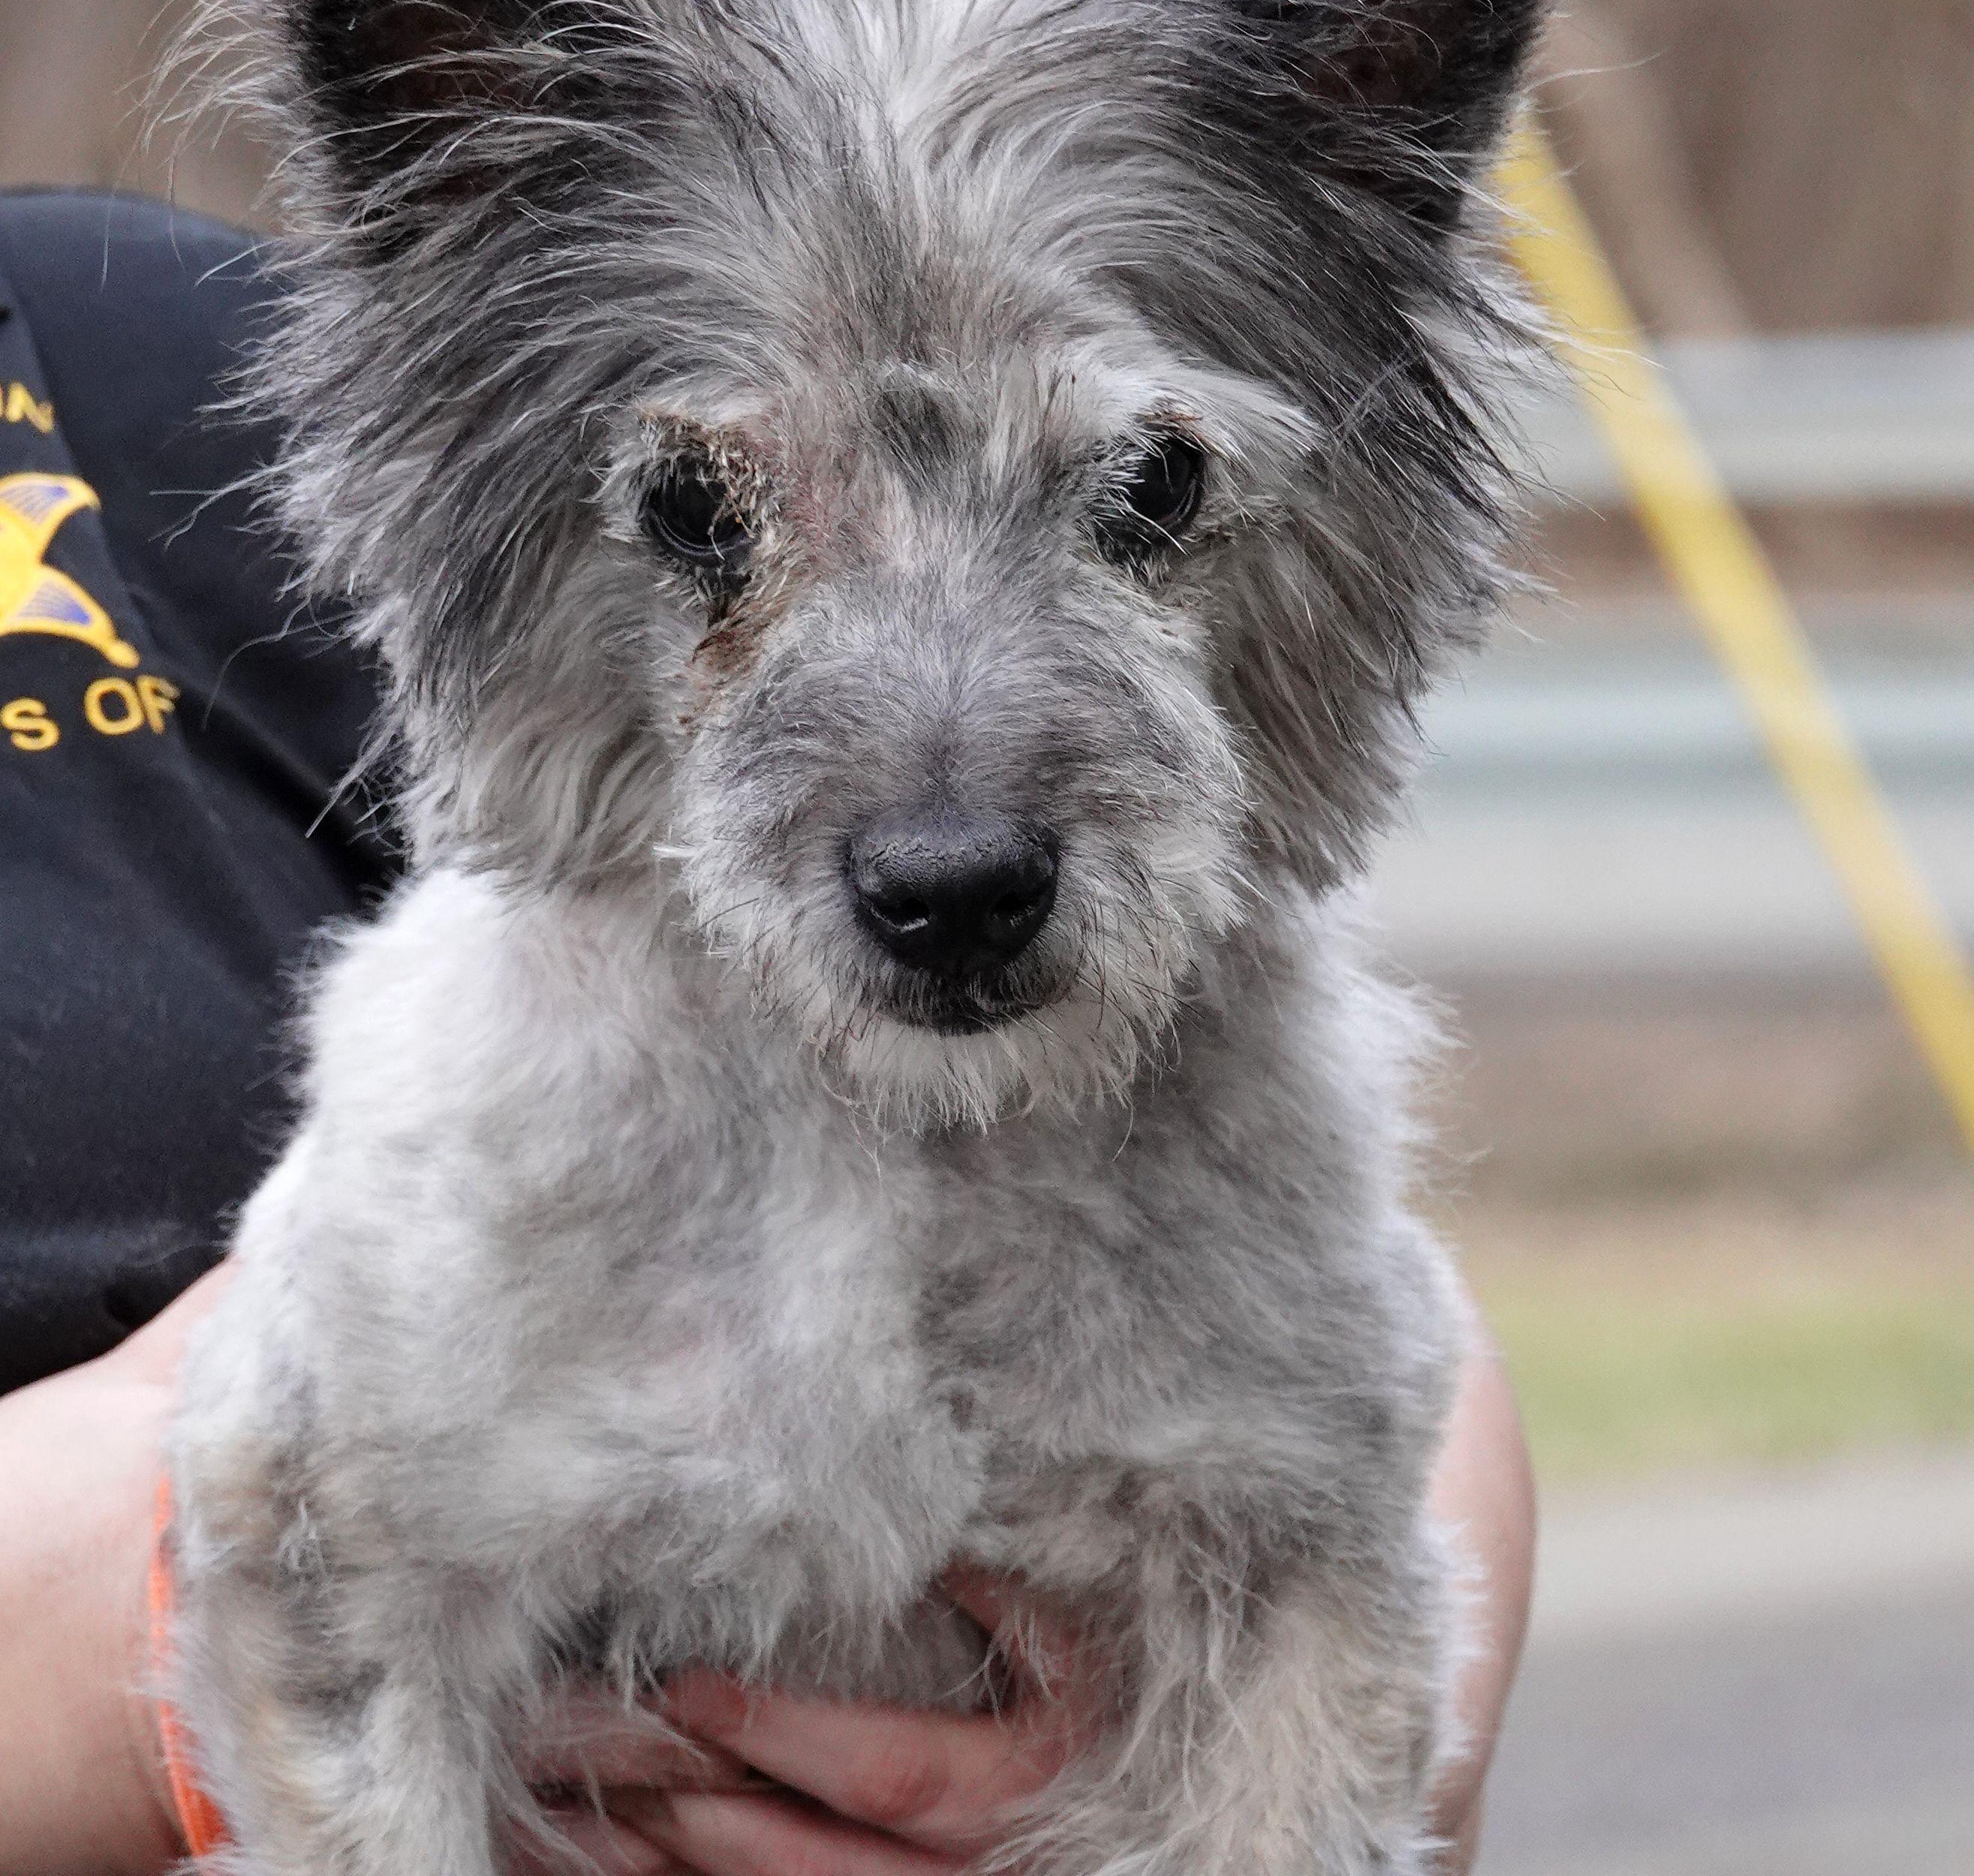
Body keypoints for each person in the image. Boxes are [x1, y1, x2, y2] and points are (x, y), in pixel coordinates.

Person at [0, 188, 1534, 1875]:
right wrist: (129, 1606)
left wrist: (1327, 1685)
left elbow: (1376, 1432)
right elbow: (305, 1559)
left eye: (1138, 500)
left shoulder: (155, 354)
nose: (946, 813)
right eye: (708, 522)